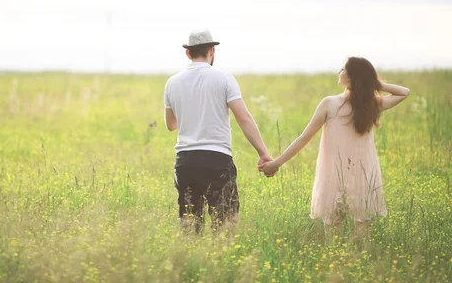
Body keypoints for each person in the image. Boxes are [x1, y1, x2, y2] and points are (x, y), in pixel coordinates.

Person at [261, 57, 410, 235]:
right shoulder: (347, 104)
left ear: (352, 76)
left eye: (343, 69)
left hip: (347, 176)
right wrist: (276, 163)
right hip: (349, 175)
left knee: (338, 233)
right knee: (357, 234)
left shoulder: (350, 104)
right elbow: (403, 92)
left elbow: (304, 139)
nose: (339, 72)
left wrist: (373, 83)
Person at [164, 29, 276, 233]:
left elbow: (171, 124)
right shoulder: (224, 79)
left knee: (191, 229)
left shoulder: (172, 82)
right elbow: (244, 118)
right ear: (211, 51)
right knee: (224, 228)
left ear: (188, 53)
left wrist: (193, 115)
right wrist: (263, 153)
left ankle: (192, 263)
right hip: (217, 160)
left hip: (185, 162)